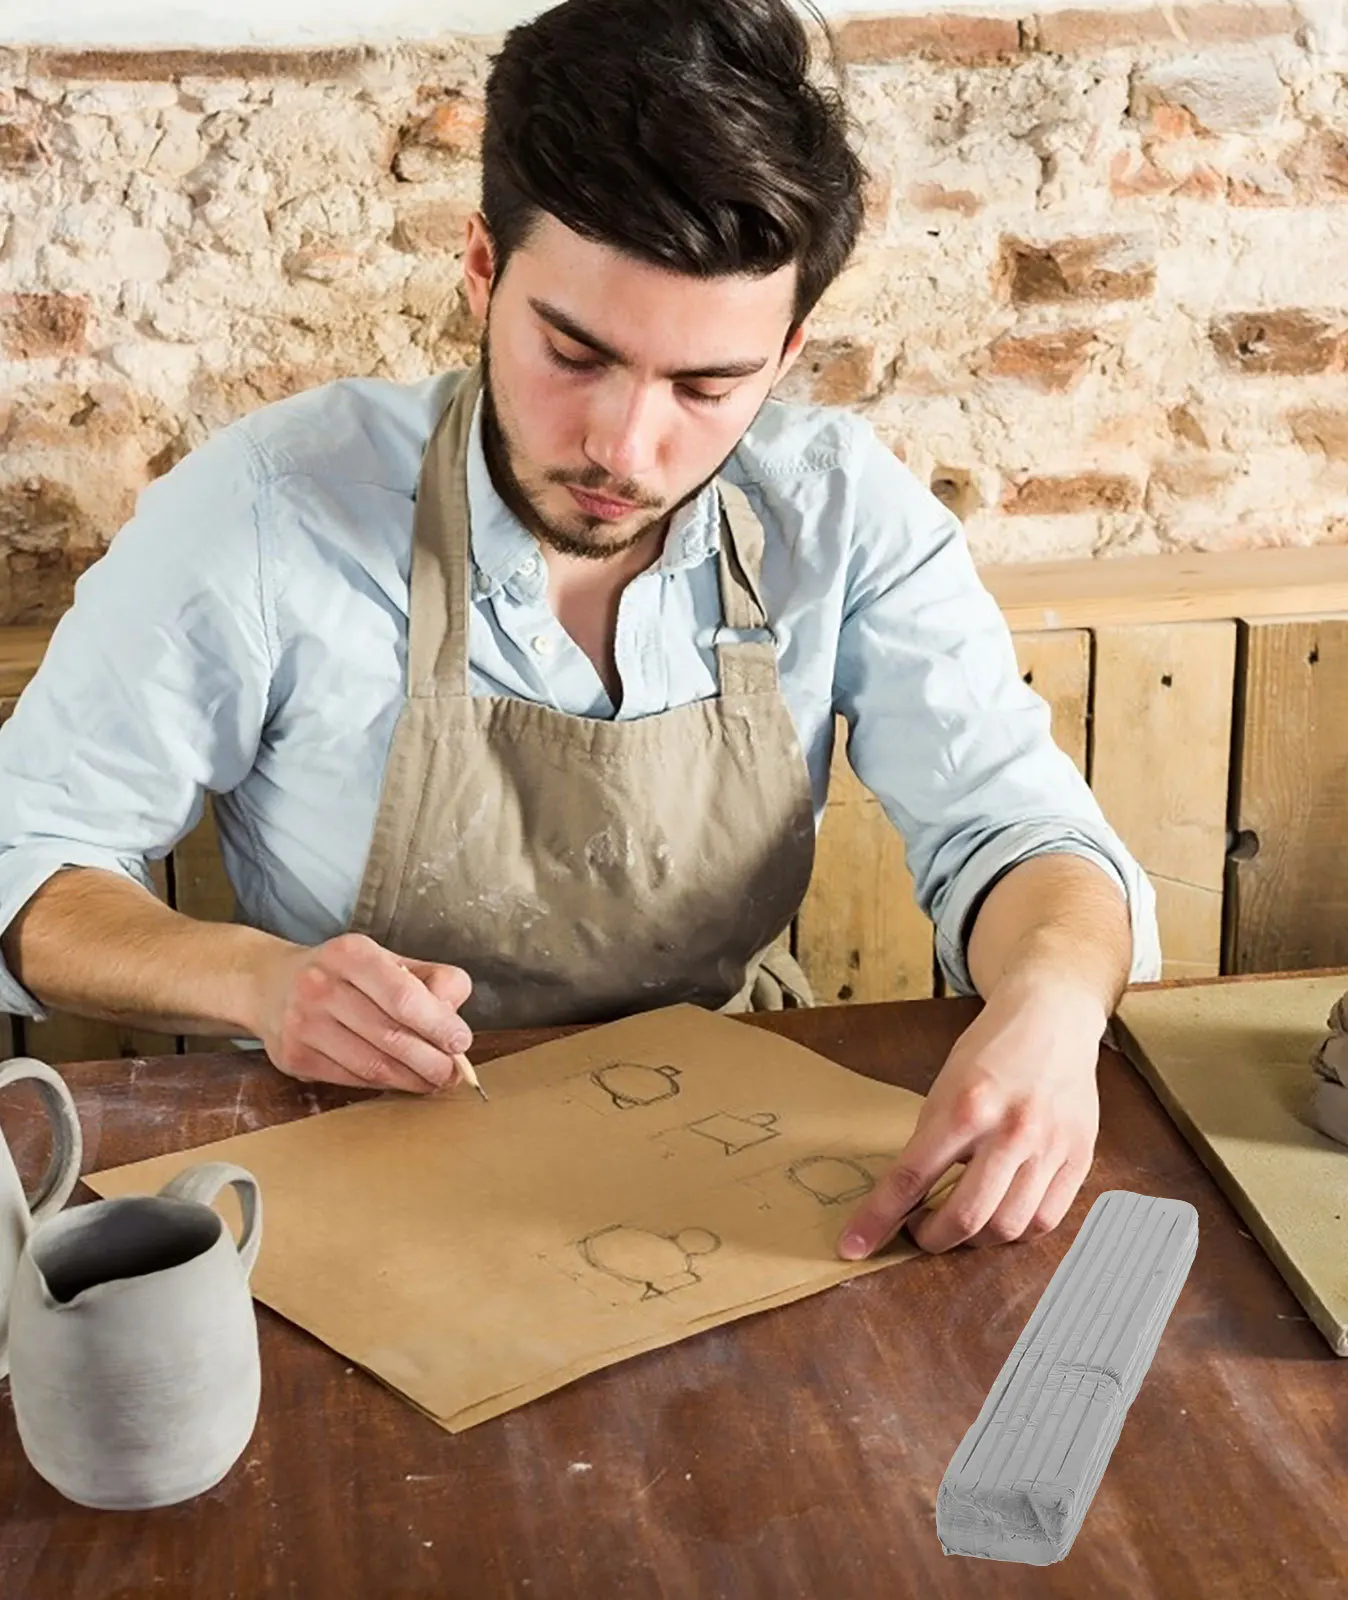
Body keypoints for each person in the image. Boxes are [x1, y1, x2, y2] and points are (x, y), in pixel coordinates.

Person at [0, 0, 1159, 1262]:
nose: (624, 445)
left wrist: (1050, 1004)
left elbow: (1019, 832)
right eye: (574, 352)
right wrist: (256, 981)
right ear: (484, 269)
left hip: (736, 1177)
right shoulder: (271, 514)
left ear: (784, 353)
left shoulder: (838, 510)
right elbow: (26, 864)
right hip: (351, 1170)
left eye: (707, 387)